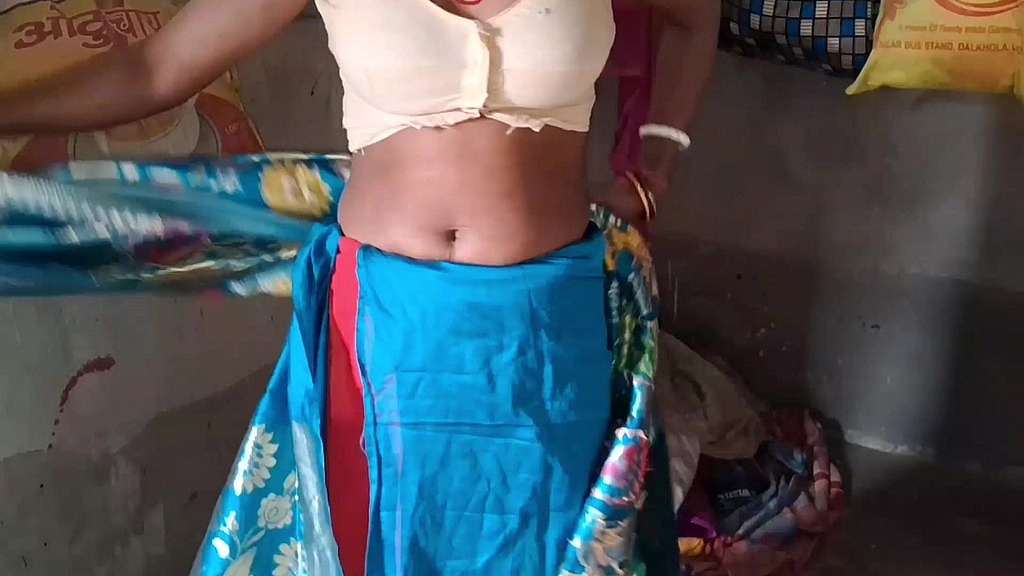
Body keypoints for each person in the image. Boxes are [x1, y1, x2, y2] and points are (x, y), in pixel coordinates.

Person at [0, 0, 719, 574]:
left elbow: (691, 16)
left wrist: (656, 164)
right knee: (367, 540)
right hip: (382, 327)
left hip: (543, 325)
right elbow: (155, 68)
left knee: (540, 539)